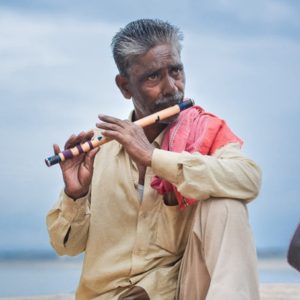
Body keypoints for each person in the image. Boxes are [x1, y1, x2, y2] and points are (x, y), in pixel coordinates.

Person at [47, 19, 262, 300]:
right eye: (153, 77)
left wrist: (154, 158)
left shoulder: (203, 134)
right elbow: (67, 247)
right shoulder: (100, 153)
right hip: (106, 296)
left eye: (176, 71)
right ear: (125, 86)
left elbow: (248, 179)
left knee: (225, 203)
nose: (172, 88)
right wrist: (76, 195)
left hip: (181, 291)